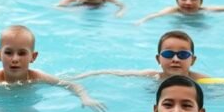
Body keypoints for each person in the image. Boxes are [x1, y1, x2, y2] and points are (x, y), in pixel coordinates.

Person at [0, 25, 107, 112]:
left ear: (33, 57)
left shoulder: (37, 77)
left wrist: (85, 98)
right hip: (0, 104)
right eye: (8, 52)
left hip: (25, 103)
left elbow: (71, 85)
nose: (15, 59)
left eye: (22, 53)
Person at [69, 30, 209, 81]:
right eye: (168, 54)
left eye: (183, 54)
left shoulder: (201, 81)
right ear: (158, 59)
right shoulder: (152, 76)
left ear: (193, 60)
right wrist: (83, 76)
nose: (175, 59)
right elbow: (116, 73)